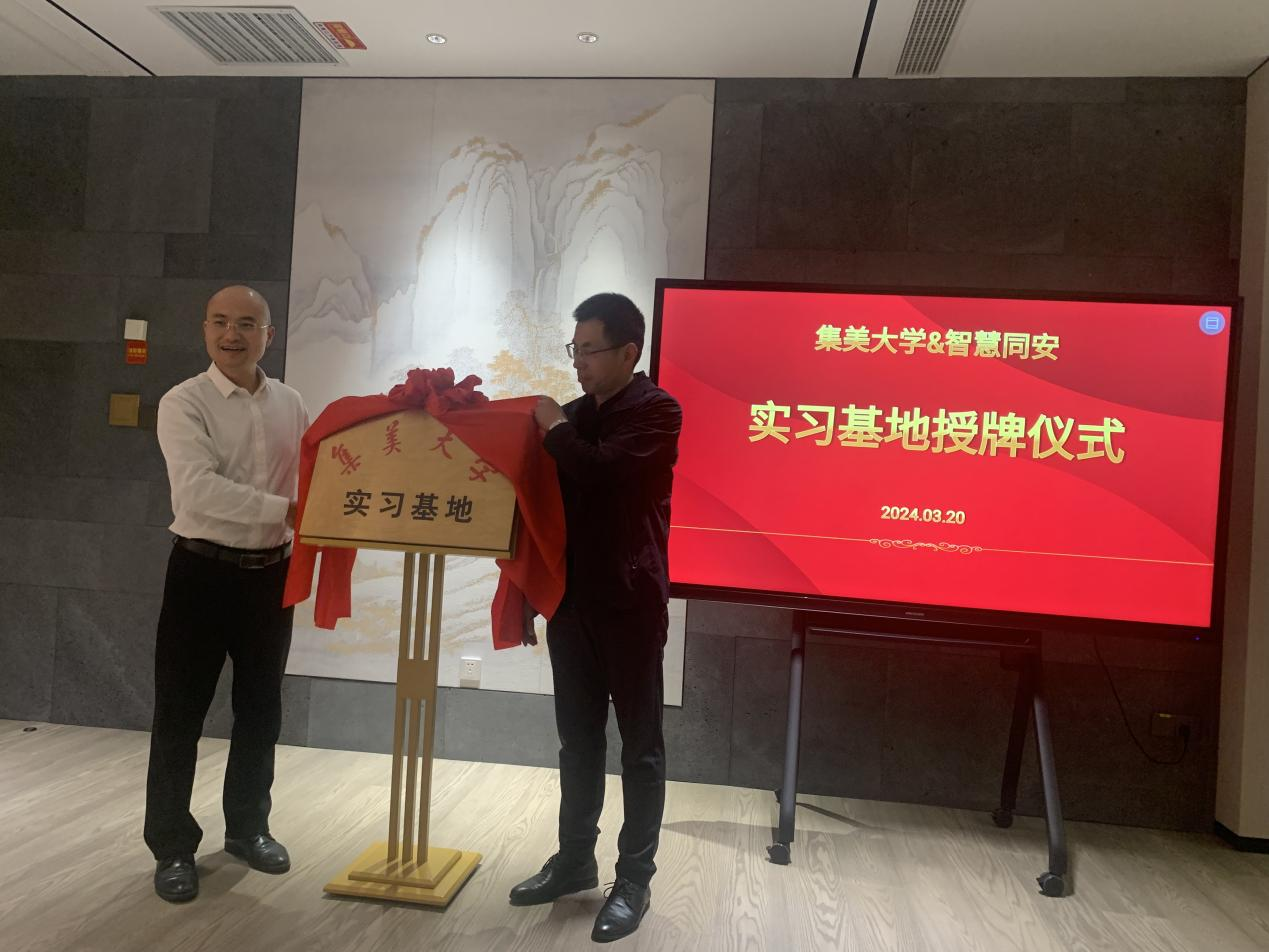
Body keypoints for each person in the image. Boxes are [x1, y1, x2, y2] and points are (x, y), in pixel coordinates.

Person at [511, 292, 682, 943]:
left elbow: (603, 472)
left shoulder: (657, 411)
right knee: (577, 741)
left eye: (589, 350)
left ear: (628, 352)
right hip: (573, 603)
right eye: (574, 349)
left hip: (632, 602)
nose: (578, 362)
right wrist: (528, 591)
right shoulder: (576, 414)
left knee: (640, 746)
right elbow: (540, 507)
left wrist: (554, 430)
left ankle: (633, 878)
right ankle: (575, 859)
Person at [144, 285, 308, 903]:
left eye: (245, 323)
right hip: (201, 574)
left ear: (269, 334)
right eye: (219, 322)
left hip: (272, 575)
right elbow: (197, 491)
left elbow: (314, 476)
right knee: (179, 713)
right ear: (205, 329)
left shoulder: (291, 403)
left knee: (261, 711)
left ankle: (247, 828)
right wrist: (286, 510)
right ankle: (172, 846)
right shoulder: (183, 401)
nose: (231, 334)